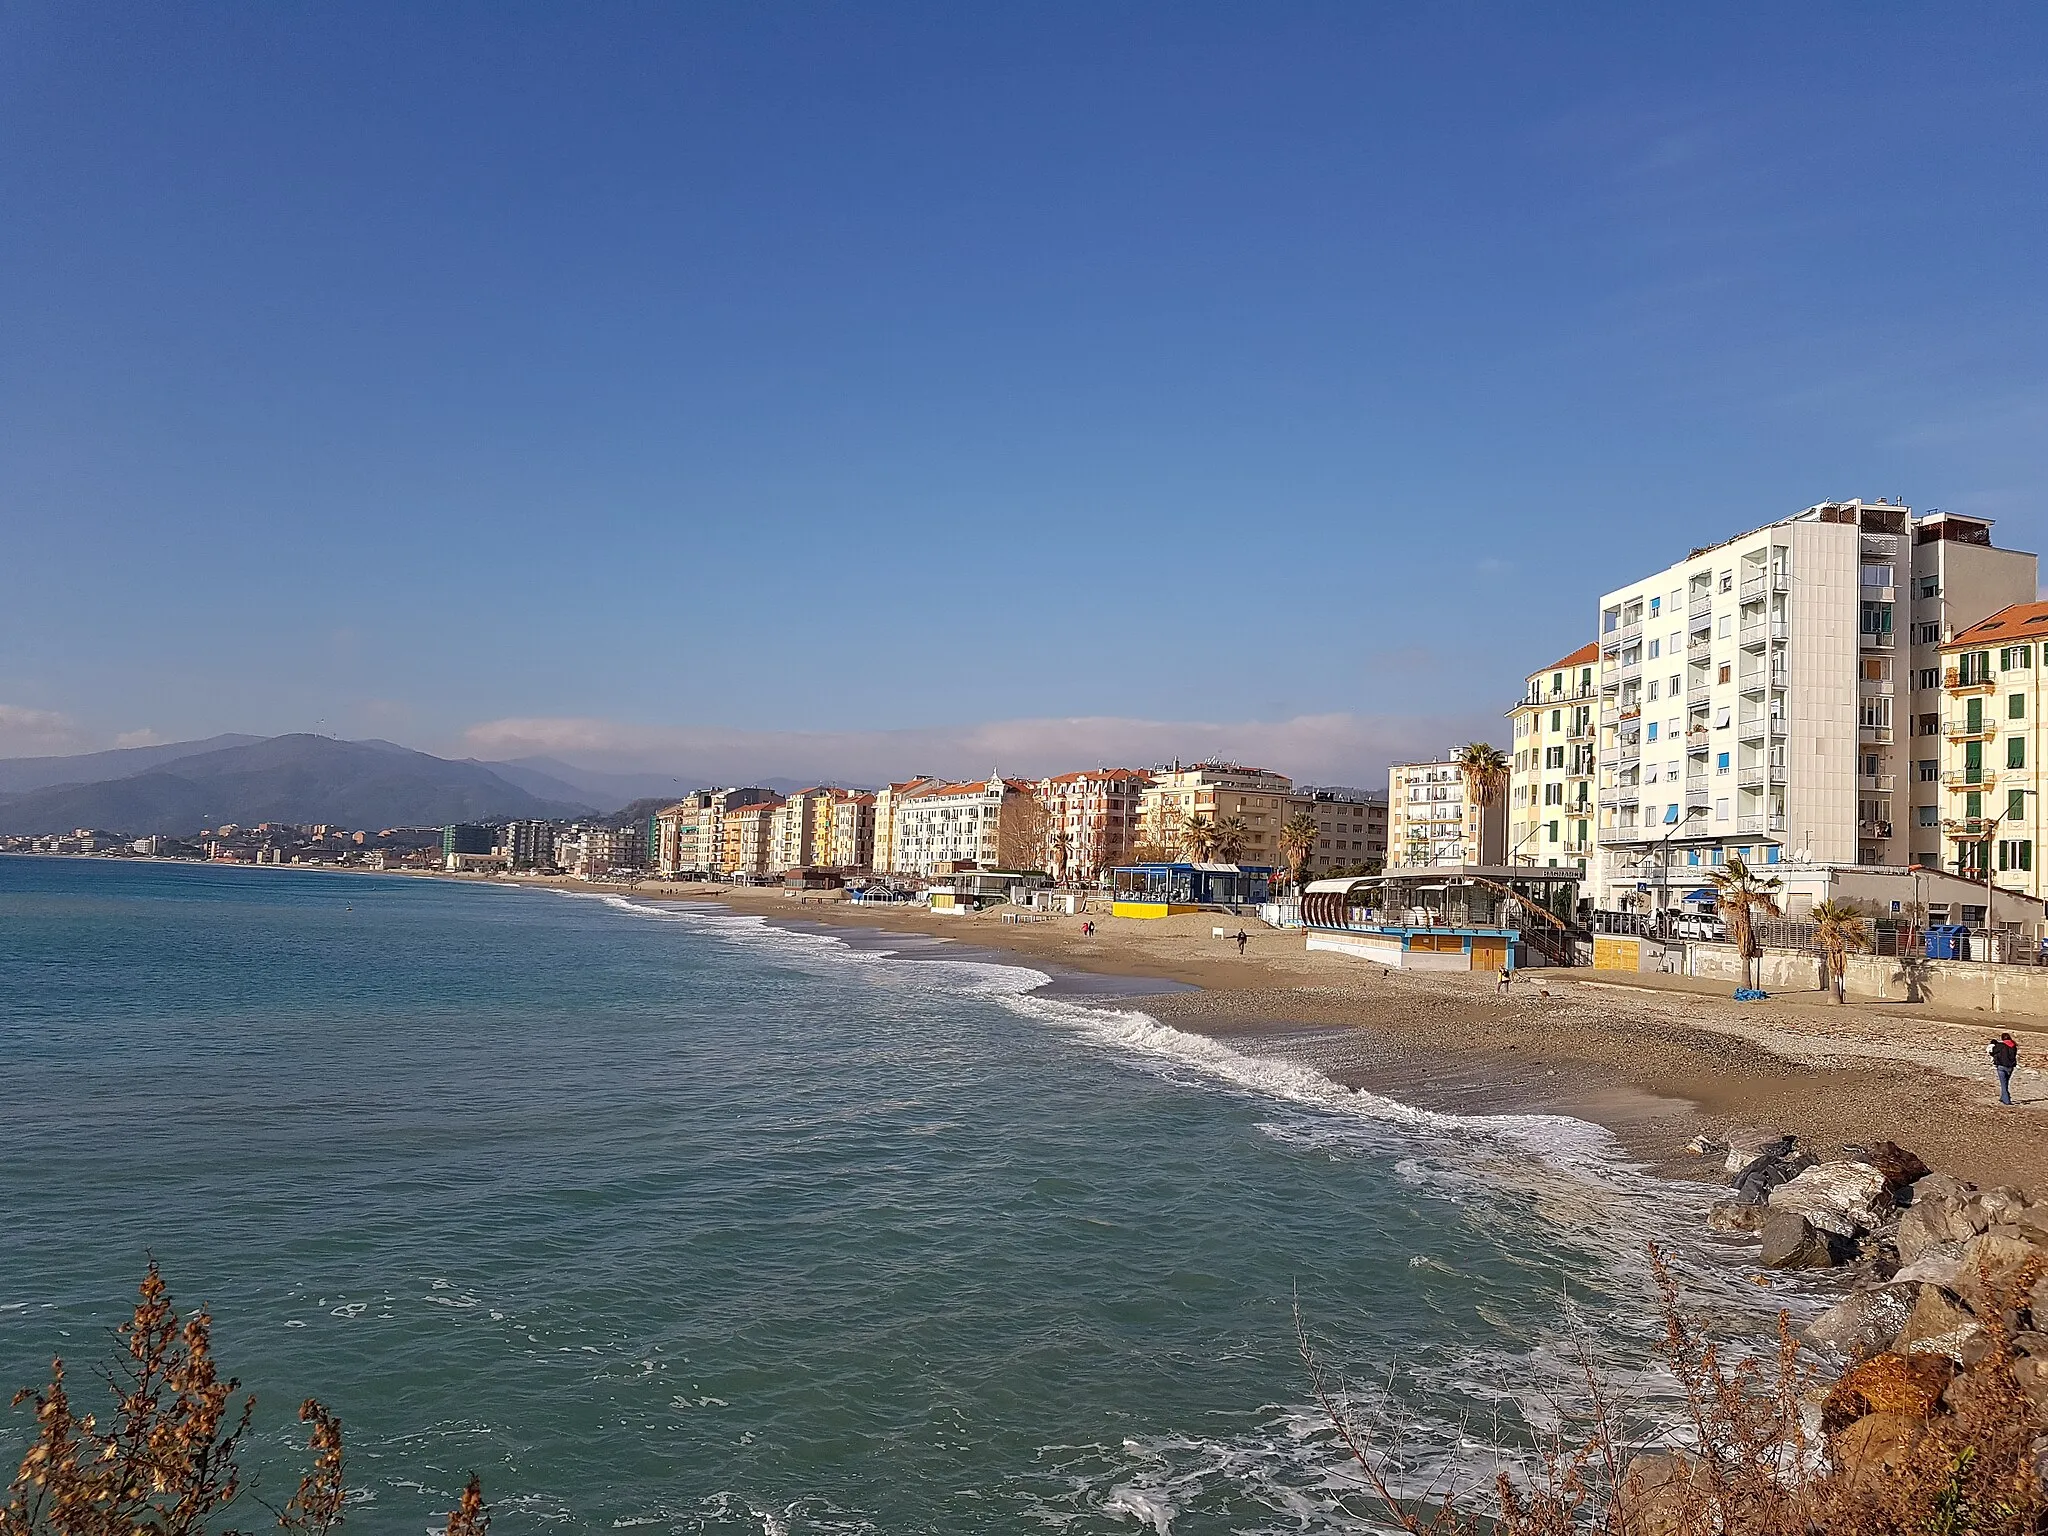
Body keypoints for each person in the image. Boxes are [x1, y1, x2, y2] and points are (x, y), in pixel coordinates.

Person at [1990, 1032, 2020, 1106]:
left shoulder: (2000, 1046)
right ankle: (2003, 1097)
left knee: (2003, 1084)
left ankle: (2006, 1101)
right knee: (2006, 1083)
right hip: (2010, 1067)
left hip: (2001, 1066)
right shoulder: (2013, 1046)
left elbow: (1993, 1051)